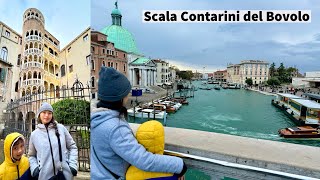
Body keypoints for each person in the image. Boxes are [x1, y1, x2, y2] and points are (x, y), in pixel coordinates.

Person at [91, 67, 187, 179]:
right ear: (120, 97)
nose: (128, 96)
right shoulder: (116, 128)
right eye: (127, 93)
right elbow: (144, 160)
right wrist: (179, 165)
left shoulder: (97, 118)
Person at [28, 102, 78, 180]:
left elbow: (72, 147)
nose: (46, 115)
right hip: (44, 176)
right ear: (39, 114)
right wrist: (35, 168)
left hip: (64, 175)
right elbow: (31, 155)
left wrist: (72, 165)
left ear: (52, 115)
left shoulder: (61, 128)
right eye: (44, 112)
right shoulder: (34, 135)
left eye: (49, 113)